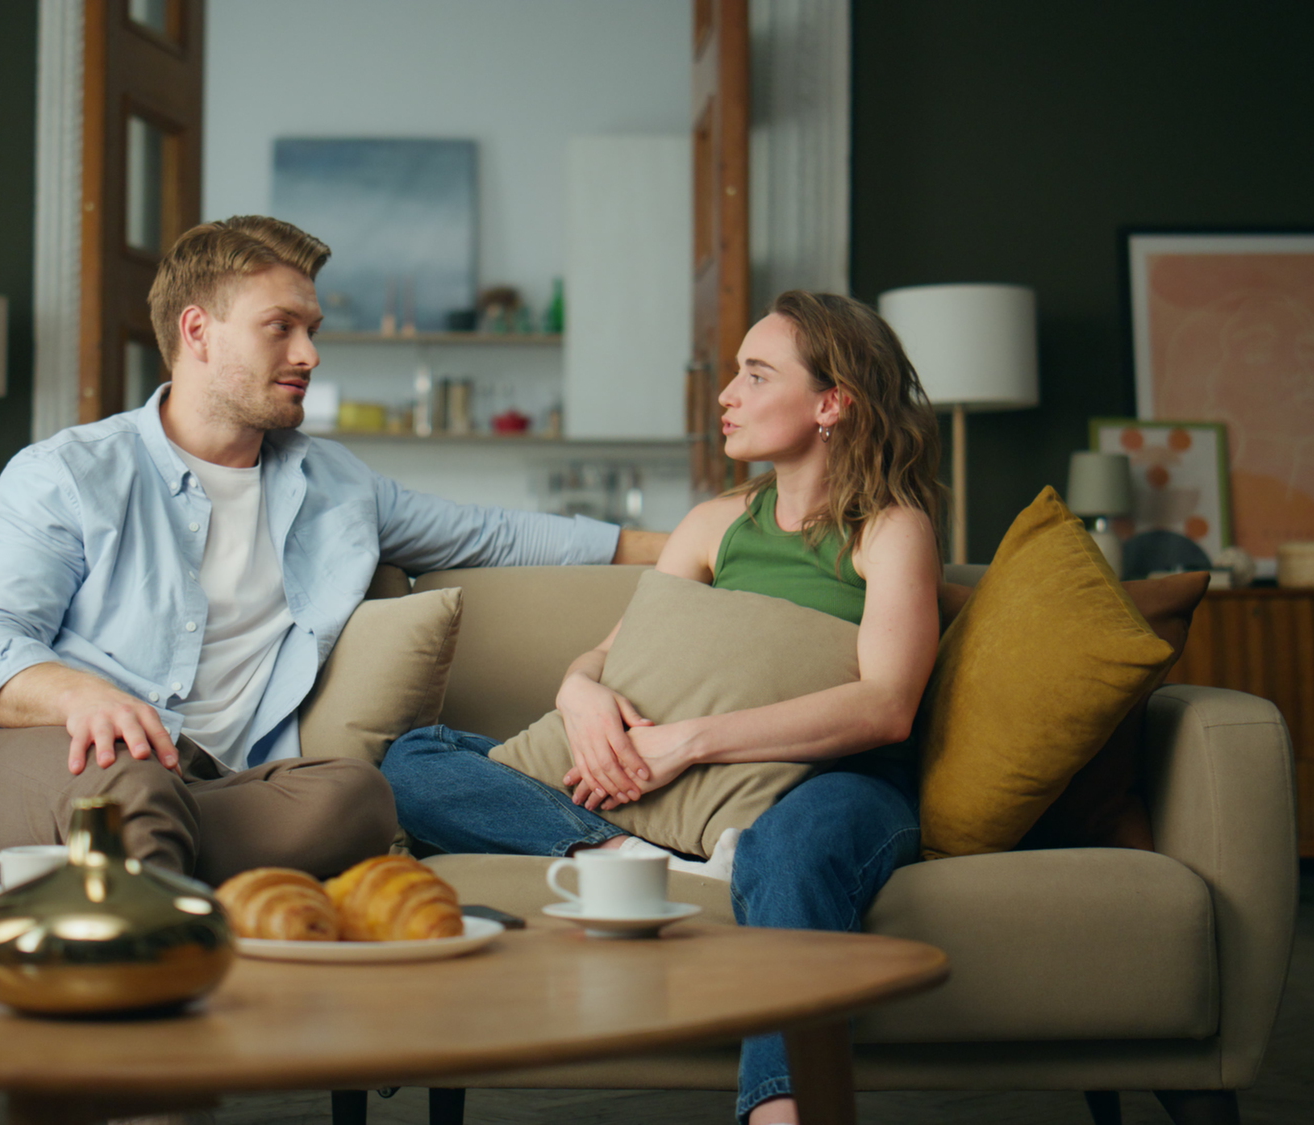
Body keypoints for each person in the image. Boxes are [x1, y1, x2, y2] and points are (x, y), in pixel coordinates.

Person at [0, 215, 664, 902]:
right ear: (198, 331)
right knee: (127, 785)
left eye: (313, 328)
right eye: (281, 328)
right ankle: (154, 1057)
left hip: (207, 784)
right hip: (17, 761)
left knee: (358, 797)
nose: (311, 355)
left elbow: (495, 534)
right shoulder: (67, 471)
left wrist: (682, 542)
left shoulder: (335, 485)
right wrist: (81, 696)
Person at [381, 291, 943, 1125]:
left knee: (791, 850)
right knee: (410, 762)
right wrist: (581, 692)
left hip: (835, 785)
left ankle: (779, 1114)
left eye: (756, 375)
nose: (727, 394)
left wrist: (690, 742)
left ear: (832, 403)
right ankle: (621, 852)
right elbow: (610, 650)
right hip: (669, 799)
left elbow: (887, 706)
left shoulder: (891, 529)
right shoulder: (717, 523)